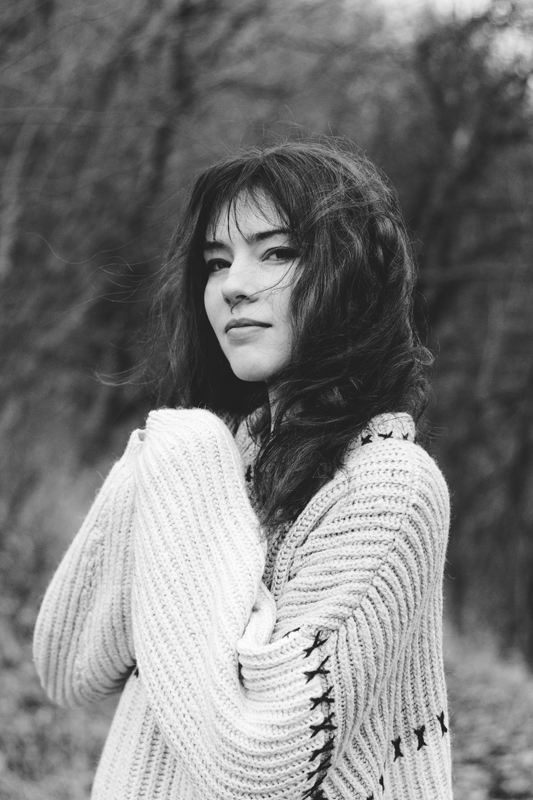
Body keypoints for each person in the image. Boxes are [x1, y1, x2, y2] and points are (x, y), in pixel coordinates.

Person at [33, 140, 453, 800]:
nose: (233, 285)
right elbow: (68, 669)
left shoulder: (388, 488)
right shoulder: (208, 460)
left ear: (349, 275)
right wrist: (160, 460)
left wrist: (191, 466)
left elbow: (261, 763)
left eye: (276, 252)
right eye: (216, 262)